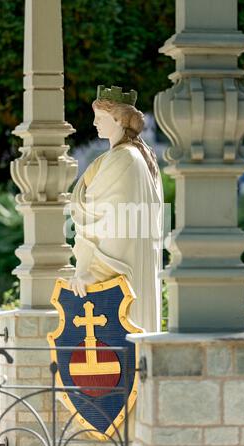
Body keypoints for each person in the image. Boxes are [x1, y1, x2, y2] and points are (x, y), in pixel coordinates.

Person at [69, 85, 164, 332]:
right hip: (114, 277)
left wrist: (96, 272)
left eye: (100, 118)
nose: (94, 123)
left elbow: (121, 225)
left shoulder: (125, 159)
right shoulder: (131, 156)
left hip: (113, 279)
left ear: (119, 119)